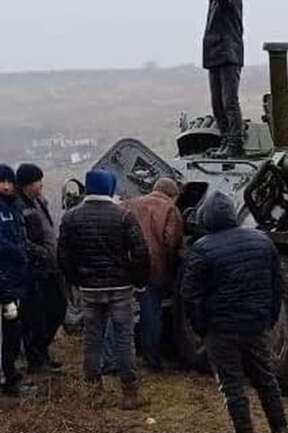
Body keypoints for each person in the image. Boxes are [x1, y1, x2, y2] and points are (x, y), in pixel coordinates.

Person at [181, 190, 288, 433]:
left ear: (207, 217)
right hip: (256, 323)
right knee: (266, 378)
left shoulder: (202, 248)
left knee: (231, 384)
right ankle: (281, 431)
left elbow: (189, 295)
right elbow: (277, 286)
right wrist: (269, 317)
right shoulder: (263, 241)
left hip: (221, 327)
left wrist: (202, 328)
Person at [57, 169, 150, 409]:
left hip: (89, 289)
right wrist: (138, 281)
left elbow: (64, 256)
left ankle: (94, 392)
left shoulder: (71, 217)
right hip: (120, 287)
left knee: (92, 339)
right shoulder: (123, 216)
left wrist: (77, 280)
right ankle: (130, 393)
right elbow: (140, 253)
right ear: (109, 187)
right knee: (124, 339)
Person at [123, 177, 183, 370]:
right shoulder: (169, 209)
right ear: (171, 195)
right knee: (151, 313)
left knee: (119, 311)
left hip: (126, 267)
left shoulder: (128, 203)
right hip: (153, 269)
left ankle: (118, 357)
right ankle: (152, 358)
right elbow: (170, 241)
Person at [15, 163, 67, 374]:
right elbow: (22, 240)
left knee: (57, 310)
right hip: (35, 271)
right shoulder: (20, 206)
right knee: (36, 316)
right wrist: (42, 254)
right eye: (38, 181)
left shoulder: (38, 202)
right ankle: (36, 358)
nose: (41, 185)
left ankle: (42, 351)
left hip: (50, 268)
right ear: (28, 183)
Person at [190, 0, 244, 157]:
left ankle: (234, 143)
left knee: (230, 101)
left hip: (229, 53)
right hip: (214, 54)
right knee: (217, 103)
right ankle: (225, 141)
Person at [0, 164, 36, 397]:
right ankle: (7, 380)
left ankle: (10, 376)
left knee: (12, 331)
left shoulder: (10, 208)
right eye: (1, 181)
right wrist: (18, 252)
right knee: (6, 334)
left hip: (13, 280)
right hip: (4, 281)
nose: (5, 186)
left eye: (9, 181)